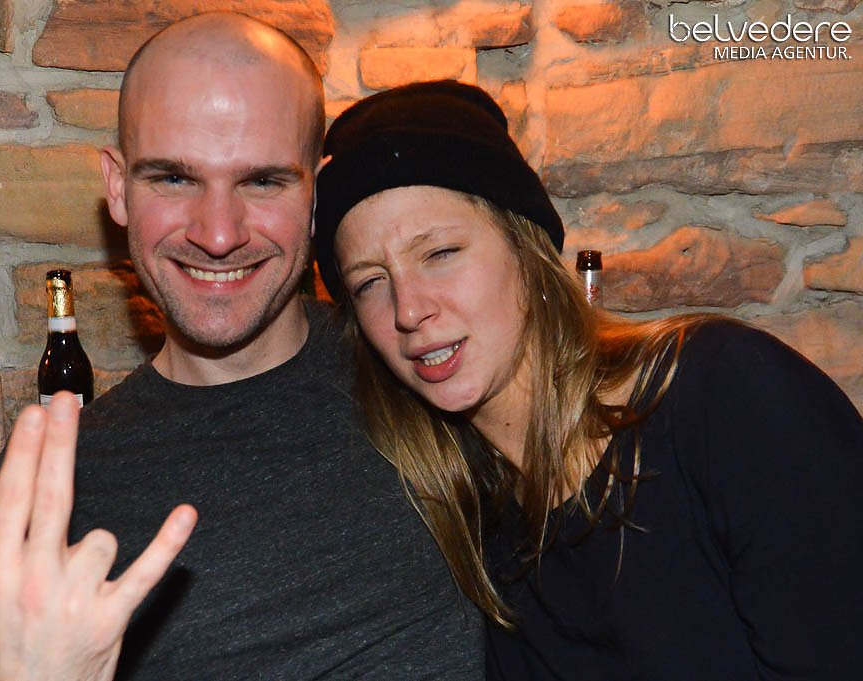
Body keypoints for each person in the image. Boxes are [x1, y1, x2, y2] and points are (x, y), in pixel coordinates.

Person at [0, 20, 483, 681]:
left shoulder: (431, 368)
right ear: (118, 187)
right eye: (174, 178)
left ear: (316, 196)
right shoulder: (57, 483)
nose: (219, 235)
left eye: (263, 181)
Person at [312, 80, 863, 680]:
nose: (409, 309)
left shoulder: (724, 396)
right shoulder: (474, 526)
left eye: (440, 253)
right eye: (370, 282)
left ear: (529, 251)